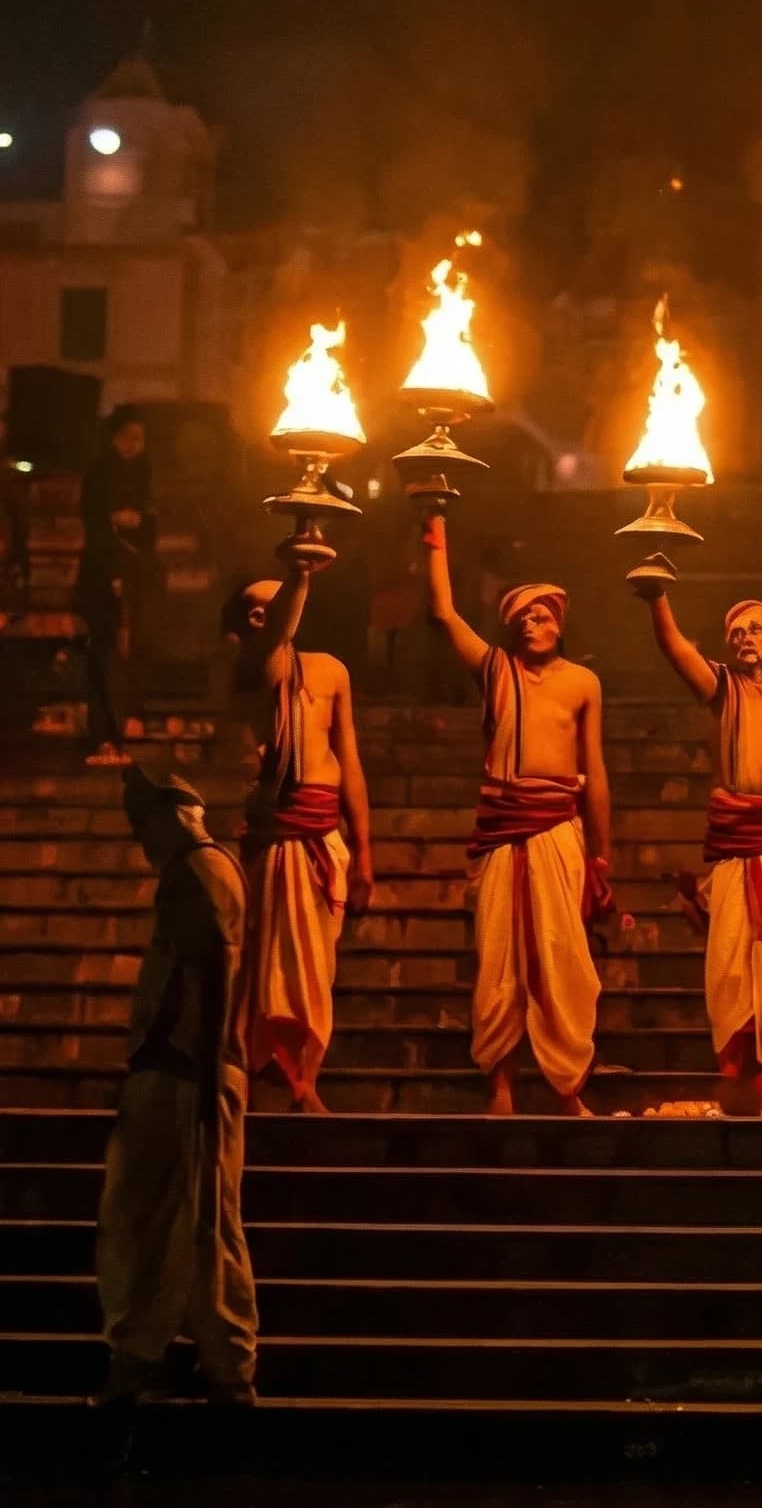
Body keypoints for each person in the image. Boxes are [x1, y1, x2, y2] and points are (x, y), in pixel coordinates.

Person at [421, 514, 610, 1116]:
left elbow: (595, 770)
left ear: (560, 623)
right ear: (512, 630)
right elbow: (445, 614)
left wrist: (602, 853)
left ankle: (566, 1088)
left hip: (558, 827)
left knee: (562, 957)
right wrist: (436, 531)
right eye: (524, 617)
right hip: (503, 826)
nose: (534, 623)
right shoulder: (497, 671)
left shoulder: (583, 682)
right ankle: (500, 1086)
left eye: (544, 615)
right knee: (499, 959)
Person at [93, 766, 256, 1407]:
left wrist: (207, 1072)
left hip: (189, 1074)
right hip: (190, 1071)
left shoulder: (197, 872)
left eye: (143, 825)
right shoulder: (207, 871)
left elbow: (213, 972)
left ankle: (145, 1359)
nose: (141, 841)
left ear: (172, 815)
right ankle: (221, 1363)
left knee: (163, 1219)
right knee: (194, 1219)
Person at [638, 583, 762, 1116]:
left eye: (756, 629)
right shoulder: (724, 688)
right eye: (736, 633)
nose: (746, 638)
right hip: (738, 839)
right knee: (734, 966)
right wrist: (657, 598)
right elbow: (674, 647)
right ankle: (750, 1084)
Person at [224, 561, 373, 1114]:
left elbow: (349, 759)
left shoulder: (330, 671)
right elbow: (277, 637)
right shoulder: (250, 667)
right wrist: (301, 571)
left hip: (321, 831)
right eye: (255, 608)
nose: (268, 611)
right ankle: (288, 1084)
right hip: (278, 836)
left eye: (276, 600)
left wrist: (364, 850)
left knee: (316, 966)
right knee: (274, 967)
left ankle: (303, 1077)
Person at [78, 410, 158, 767]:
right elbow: (93, 523)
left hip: (137, 577)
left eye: (138, 439)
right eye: (127, 437)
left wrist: (138, 521)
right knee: (104, 655)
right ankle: (102, 738)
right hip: (101, 575)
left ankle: (126, 732)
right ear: (113, 438)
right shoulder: (97, 474)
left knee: (133, 654)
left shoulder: (145, 474)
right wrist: (113, 525)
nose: (132, 445)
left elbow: (151, 525)